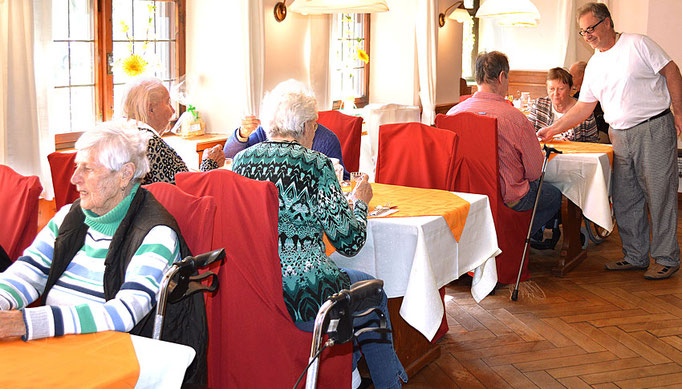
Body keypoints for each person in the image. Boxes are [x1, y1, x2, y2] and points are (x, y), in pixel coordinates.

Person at [231, 79, 406, 389]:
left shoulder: (243, 161)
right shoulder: (316, 165)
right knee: (373, 292)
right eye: (314, 125)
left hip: (257, 288)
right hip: (306, 292)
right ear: (307, 125)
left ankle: (347, 375)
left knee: (353, 290)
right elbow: (349, 241)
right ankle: (388, 383)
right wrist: (360, 204)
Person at [0, 122, 206, 383]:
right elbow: (27, 272)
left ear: (124, 174)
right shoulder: (67, 218)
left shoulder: (155, 233)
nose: (74, 178)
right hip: (55, 348)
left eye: (87, 168)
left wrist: (25, 323)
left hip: (110, 360)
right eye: (77, 167)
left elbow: (122, 314)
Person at [538, 3, 682, 279]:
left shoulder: (637, 44)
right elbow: (583, 108)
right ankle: (635, 255)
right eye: (582, 32)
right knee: (627, 198)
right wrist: (553, 129)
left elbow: (672, 71)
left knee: (660, 195)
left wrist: (680, 112)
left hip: (653, 127)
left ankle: (666, 258)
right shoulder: (594, 64)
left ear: (607, 23)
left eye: (590, 28)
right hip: (619, 134)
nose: (588, 35)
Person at [447, 51, 562, 244]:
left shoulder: (451, 115)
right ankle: (513, 239)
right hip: (506, 198)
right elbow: (535, 172)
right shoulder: (515, 118)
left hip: (463, 197)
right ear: (502, 77)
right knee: (554, 195)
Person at [120, 77, 224, 184]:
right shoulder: (151, 144)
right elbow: (187, 192)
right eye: (168, 103)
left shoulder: (120, 135)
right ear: (150, 109)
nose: (173, 111)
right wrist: (210, 164)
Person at [224, 114, 350, 180]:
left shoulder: (326, 140)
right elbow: (230, 158)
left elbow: (341, 178)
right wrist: (242, 134)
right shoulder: (264, 132)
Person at [528, 67, 599, 142]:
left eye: (561, 89)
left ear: (571, 89)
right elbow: (528, 134)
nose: (555, 94)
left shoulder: (584, 109)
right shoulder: (540, 105)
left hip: (573, 152)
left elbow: (593, 143)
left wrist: (572, 145)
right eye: (551, 89)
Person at [569, 61, 609, 139]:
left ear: (583, 75)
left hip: (599, 131)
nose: (570, 80)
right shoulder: (576, 95)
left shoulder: (595, 91)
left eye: (572, 76)